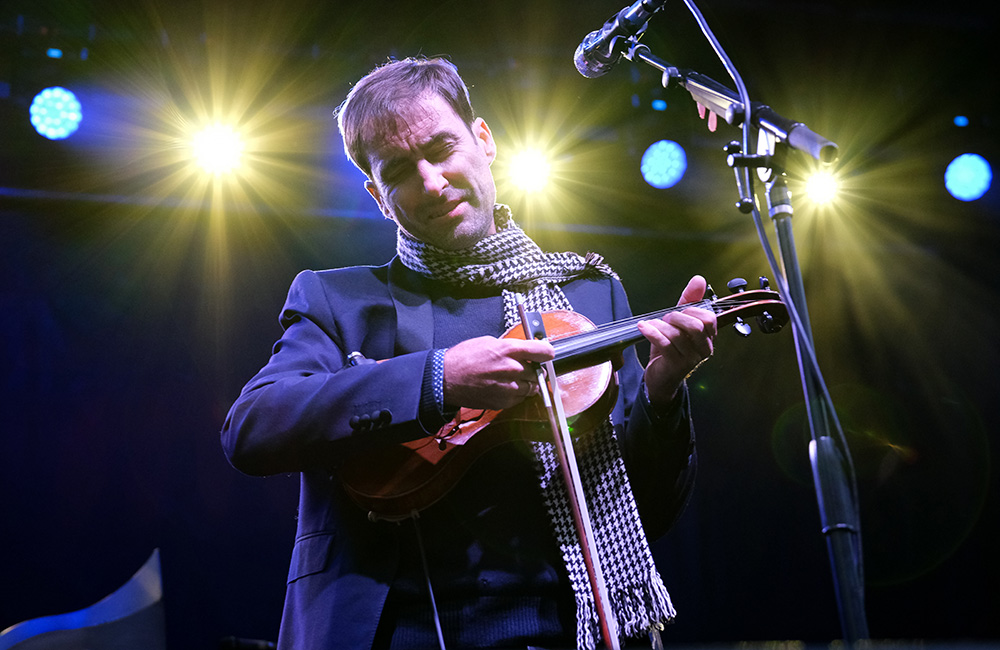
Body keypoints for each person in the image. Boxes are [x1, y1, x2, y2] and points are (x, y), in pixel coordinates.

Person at [222, 56, 717, 650]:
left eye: (442, 149)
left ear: (484, 141)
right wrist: (438, 378)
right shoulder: (339, 301)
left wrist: (663, 392)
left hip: (573, 632)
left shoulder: (590, 293)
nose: (431, 181)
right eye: (401, 169)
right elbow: (252, 428)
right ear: (378, 195)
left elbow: (650, 511)